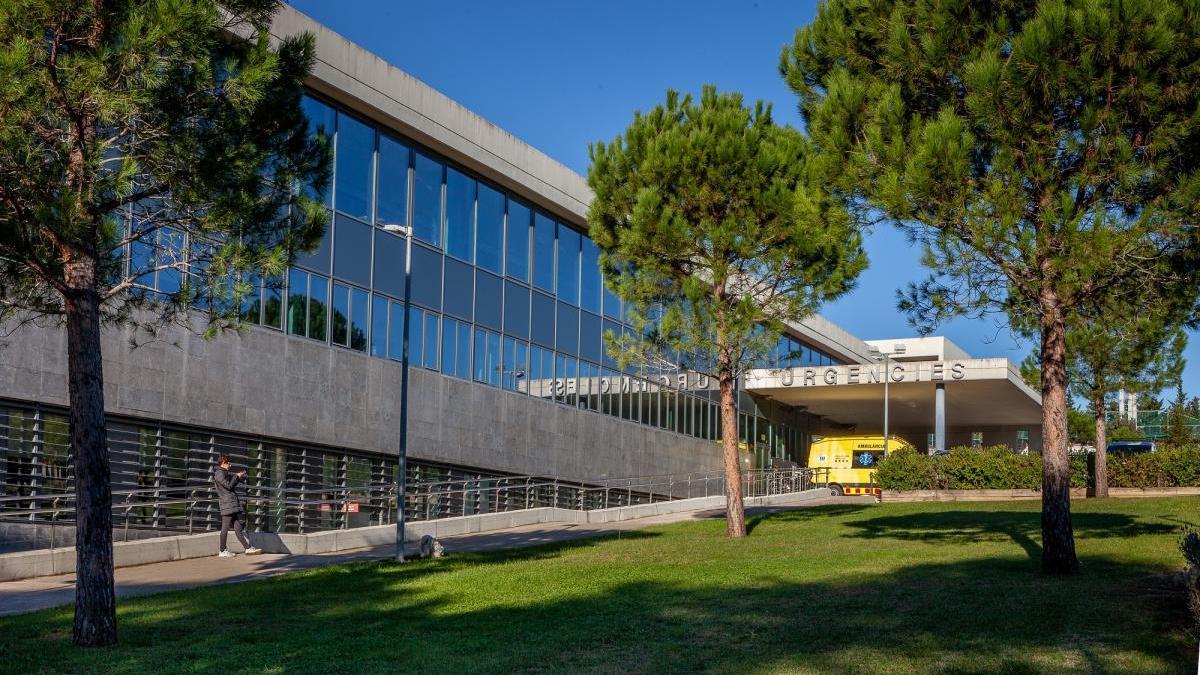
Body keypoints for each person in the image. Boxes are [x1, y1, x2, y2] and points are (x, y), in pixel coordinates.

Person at [213, 454, 262, 557]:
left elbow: (230, 483)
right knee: (225, 528)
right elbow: (229, 486)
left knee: (238, 527)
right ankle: (222, 550)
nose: (230, 465)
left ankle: (248, 548)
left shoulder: (223, 472)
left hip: (231, 504)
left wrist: (238, 476)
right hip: (227, 504)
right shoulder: (219, 473)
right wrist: (236, 476)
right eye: (228, 463)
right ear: (223, 463)